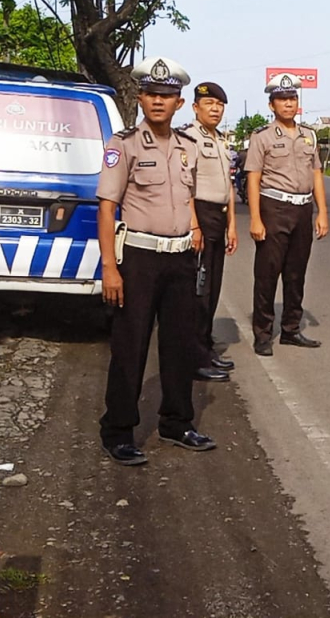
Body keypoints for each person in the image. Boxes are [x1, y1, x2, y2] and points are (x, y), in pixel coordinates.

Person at [96, 56, 216, 466]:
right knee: (130, 347)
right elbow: (106, 208)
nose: (159, 102)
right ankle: (118, 430)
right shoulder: (124, 145)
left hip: (180, 257)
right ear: (141, 98)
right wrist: (110, 267)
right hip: (139, 259)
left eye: (167, 95)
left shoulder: (188, 148)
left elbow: (189, 197)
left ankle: (177, 422)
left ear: (179, 102)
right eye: (151, 94)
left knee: (179, 345)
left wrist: (197, 229)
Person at [246, 73, 330, 356]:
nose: (288, 104)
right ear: (272, 105)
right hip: (274, 207)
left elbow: (316, 173)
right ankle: (263, 333)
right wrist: (255, 218)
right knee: (267, 274)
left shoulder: (309, 136)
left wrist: (322, 212)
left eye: (292, 98)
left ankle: (291, 329)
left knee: (296, 273)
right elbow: (253, 178)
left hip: (302, 208)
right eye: (282, 99)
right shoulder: (262, 137)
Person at [178, 82, 238, 381]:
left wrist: (232, 225)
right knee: (198, 290)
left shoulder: (220, 140)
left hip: (218, 216)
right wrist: (193, 224)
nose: (215, 109)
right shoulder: (189, 138)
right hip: (199, 214)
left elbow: (227, 186)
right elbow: (185, 184)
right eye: (209, 104)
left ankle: (204, 346)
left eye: (220, 105)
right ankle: (193, 357)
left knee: (211, 287)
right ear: (195, 107)